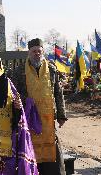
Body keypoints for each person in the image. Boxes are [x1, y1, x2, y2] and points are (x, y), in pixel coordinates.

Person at [10, 38, 68, 175]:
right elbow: (13, 93)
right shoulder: (19, 71)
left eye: (39, 51)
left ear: (43, 52)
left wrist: (61, 115)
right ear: (29, 52)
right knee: (30, 146)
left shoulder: (52, 70)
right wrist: (23, 102)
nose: (37, 53)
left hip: (48, 119)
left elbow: (58, 93)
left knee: (52, 148)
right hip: (28, 117)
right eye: (34, 51)